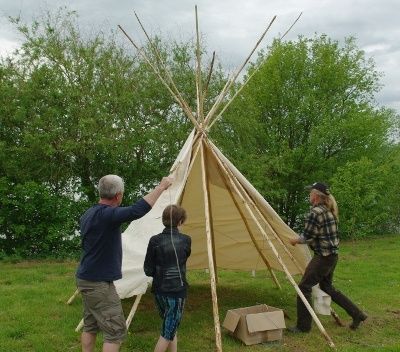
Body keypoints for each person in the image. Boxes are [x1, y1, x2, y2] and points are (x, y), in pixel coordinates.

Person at [76, 174, 173, 352]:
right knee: (115, 331)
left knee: (90, 325)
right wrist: (161, 187)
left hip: (87, 278)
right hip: (98, 283)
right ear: (118, 195)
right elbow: (137, 210)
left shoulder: (89, 213)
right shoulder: (108, 215)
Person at [289, 182, 367, 333]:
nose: (309, 195)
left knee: (304, 287)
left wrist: (294, 240)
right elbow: (317, 235)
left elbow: (308, 236)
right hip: (332, 257)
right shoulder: (329, 210)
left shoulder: (315, 212)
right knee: (327, 287)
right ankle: (357, 314)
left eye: (310, 193)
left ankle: (303, 327)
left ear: (317, 196)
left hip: (323, 257)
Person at [144, 204, 191, 352]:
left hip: (159, 291)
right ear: (180, 221)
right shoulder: (186, 240)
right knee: (167, 332)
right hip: (176, 292)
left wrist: (159, 274)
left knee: (171, 326)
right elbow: (185, 256)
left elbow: (148, 269)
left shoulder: (154, 240)